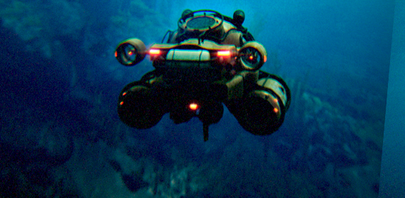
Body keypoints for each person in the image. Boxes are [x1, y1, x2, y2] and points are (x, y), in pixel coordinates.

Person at [115, 9, 290, 141]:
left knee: (256, 101)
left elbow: (251, 70)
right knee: (148, 97)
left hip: (211, 86)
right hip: (181, 86)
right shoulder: (177, 39)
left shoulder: (233, 39)